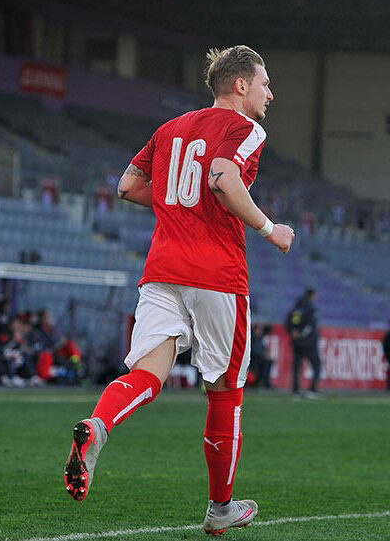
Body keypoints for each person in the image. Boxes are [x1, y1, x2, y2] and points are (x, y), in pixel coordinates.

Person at [63, 45, 294, 535]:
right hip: (217, 276)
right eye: (265, 83)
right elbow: (221, 178)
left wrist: (175, 206)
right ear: (240, 85)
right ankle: (220, 509)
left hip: (162, 270)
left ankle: (99, 427)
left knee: (149, 372)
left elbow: (127, 186)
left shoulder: (169, 129)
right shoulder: (246, 129)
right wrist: (269, 228)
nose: (270, 93)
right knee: (225, 392)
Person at [286, 288, 322, 399]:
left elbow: (287, 322)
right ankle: (312, 390)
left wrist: (292, 332)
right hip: (309, 342)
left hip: (296, 342)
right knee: (316, 365)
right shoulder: (311, 308)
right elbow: (311, 325)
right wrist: (301, 334)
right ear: (312, 295)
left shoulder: (295, 308)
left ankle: (296, 391)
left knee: (297, 366)